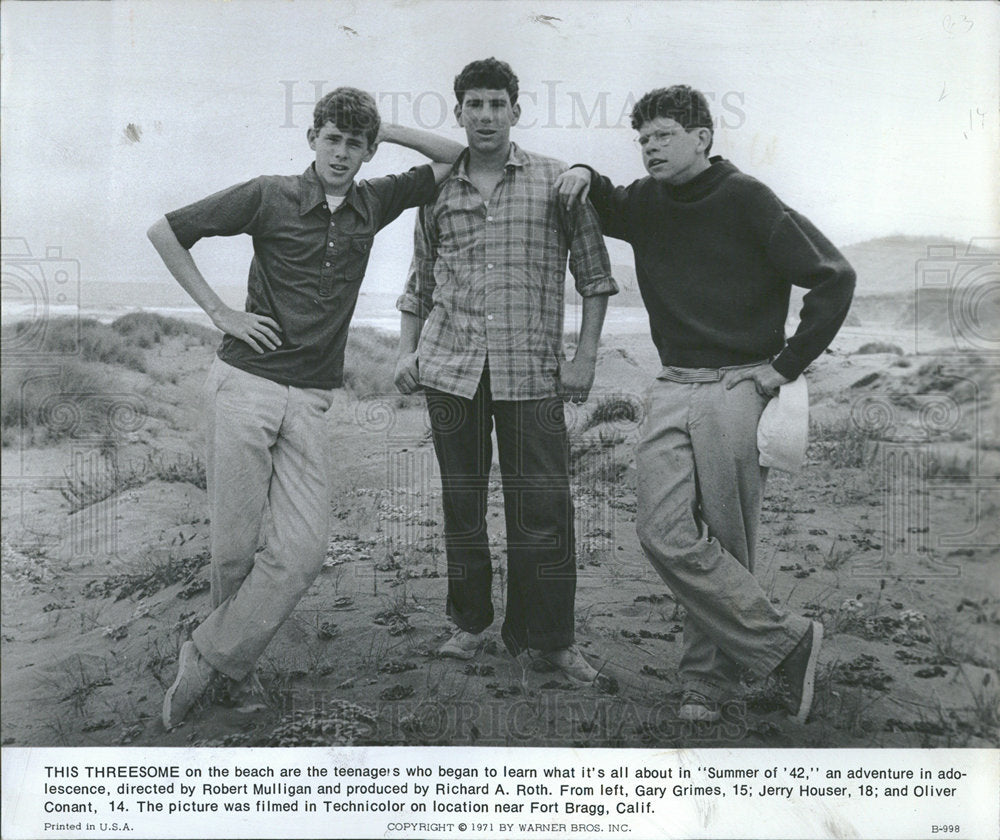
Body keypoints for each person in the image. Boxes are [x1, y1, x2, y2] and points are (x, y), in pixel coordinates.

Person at [148, 87, 455, 729]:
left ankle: (206, 657)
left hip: (311, 399)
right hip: (246, 385)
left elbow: (455, 159)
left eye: (354, 143)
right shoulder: (269, 194)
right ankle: (231, 680)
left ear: (367, 151)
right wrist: (220, 312)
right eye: (332, 138)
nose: (341, 153)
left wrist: (385, 126)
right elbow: (166, 231)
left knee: (304, 549)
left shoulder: (376, 199)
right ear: (312, 138)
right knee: (234, 548)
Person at [557, 85, 855, 722]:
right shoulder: (645, 202)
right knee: (661, 530)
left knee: (726, 535)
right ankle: (787, 643)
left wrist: (784, 367)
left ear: (703, 137)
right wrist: (581, 169)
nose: (650, 148)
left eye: (663, 135)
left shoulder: (746, 198)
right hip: (671, 383)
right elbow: (589, 191)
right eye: (642, 140)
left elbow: (834, 276)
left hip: (737, 386)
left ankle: (706, 683)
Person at [394, 58, 619, 684]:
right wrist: (407, 351)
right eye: (475, 105)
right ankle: (468, 623)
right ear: (459, 112)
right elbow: (420, 281)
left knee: (542, 506)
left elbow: (595, 278)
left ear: (516, 111)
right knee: (461, 503)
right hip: (450, 368)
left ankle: (548, 639)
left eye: (498, 104)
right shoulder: (436, 187)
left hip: (533, 373)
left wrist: (584, 358)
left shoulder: (557, 180)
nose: (486, 115)